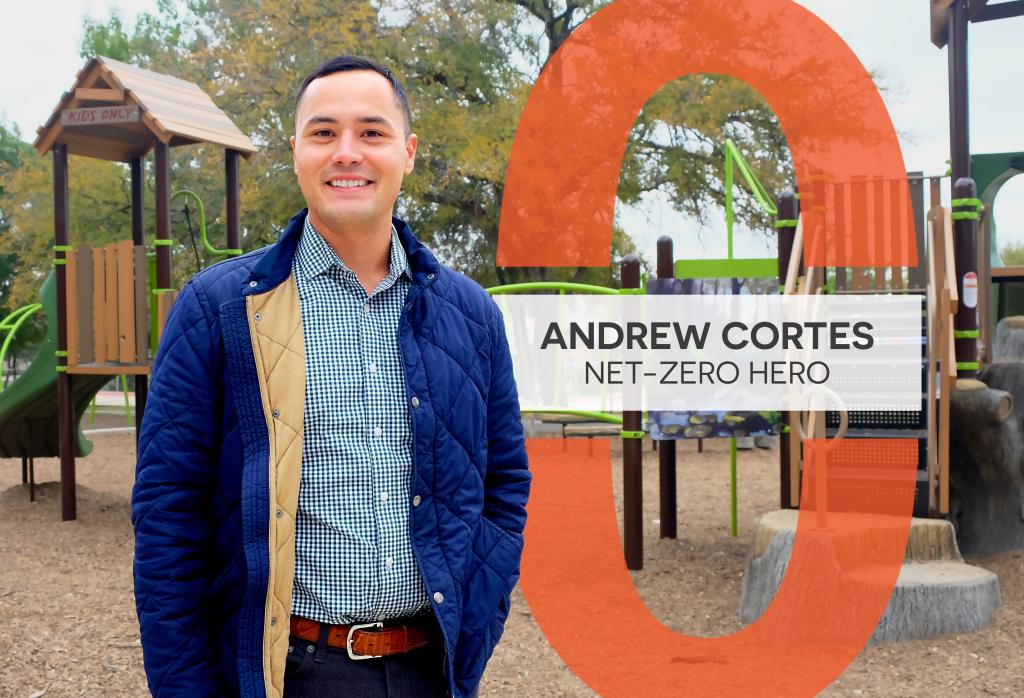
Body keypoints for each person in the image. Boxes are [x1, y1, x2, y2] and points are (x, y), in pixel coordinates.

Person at [132, 55, 531, 698]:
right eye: (323, 133)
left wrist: (476, 614)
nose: (347, 152)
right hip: (288, 670)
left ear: (408, 151)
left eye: (371, 132)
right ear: (295, 151)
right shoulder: (219, 308)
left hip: (433, 668)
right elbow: (167, 514)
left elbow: (503, 482)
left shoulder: (471, 315)